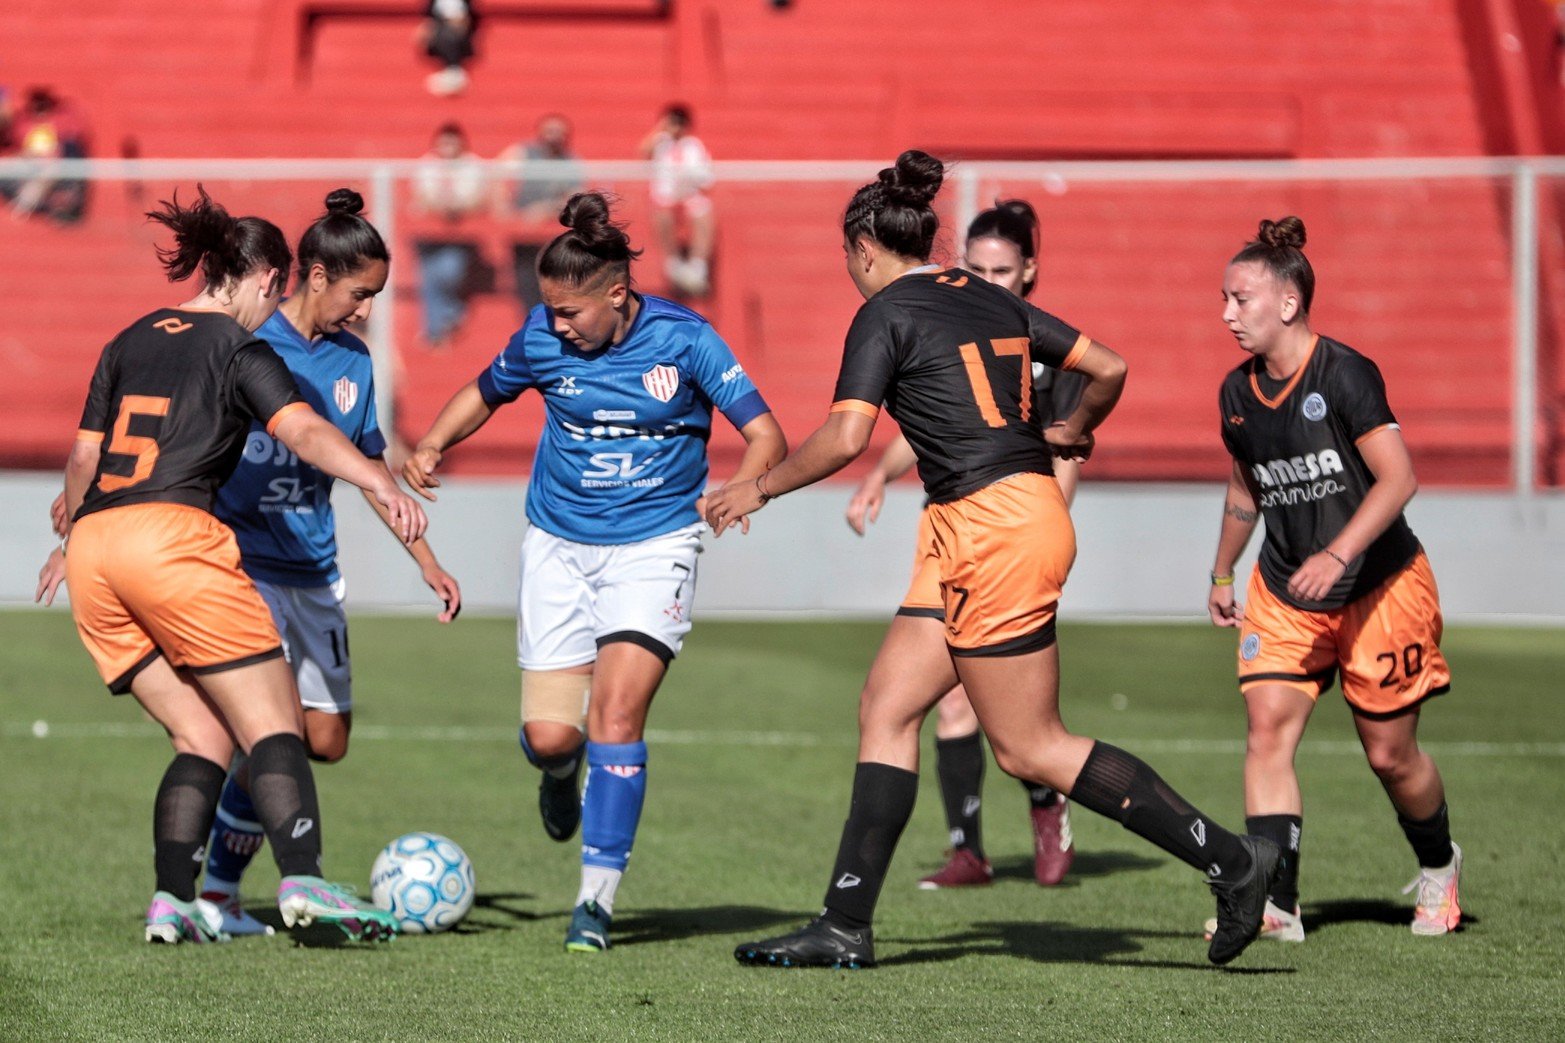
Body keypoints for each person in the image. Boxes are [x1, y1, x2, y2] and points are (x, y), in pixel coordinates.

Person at [707, 150, 1279, 969]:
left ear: (863, 249)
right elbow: (1108, 367)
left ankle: (1232, 860)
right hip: (978, 520)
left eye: (846, 256)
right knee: (888, 705)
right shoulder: (983, 295)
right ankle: (843, 923)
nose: (847, 269)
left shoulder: (882, 311)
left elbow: (843, 435)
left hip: (994, 527)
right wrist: (1072, 429)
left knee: (1028, 746)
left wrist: (757, 488)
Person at [403, 192, 786, 953]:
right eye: (547, 309)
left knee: (616, 713)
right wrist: (429, 443)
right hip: (557, 544)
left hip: (655, 546)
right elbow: (484, 391)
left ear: (616, 294)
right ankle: (557, 770)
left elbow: (766, 433)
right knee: (551, 735)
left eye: (570, 311)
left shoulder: (687, 341)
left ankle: (595, 902)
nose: (556, 323)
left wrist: (747, 484)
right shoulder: (543, 338)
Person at [41, 186, 424, 943]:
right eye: (272, 290)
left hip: (95, 551)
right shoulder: (238, 346)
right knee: (273, 720)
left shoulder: (131, 336)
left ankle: (172, 900)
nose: (271, 306)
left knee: (203, 736)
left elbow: (85, 455)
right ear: (257, 280)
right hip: (174, 538)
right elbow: (303, 428)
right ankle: (307, 881)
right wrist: (377, 475)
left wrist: (67, 540)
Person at [196, 189, 463, 935]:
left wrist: (427, 561)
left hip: (315, 569)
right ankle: (219, 888)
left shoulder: (353, 362)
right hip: (244, 565)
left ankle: (225, 872)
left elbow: (370, 467)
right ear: (314, 276)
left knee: (326, 740)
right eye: (359, 294)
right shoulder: (248, 345)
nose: (366, 310)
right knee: (269, 728)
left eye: (375, 295)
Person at [1205, 216, 1462, 942]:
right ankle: (1276, 902)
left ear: (1286, 303)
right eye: (1222, 298)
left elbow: (1397, 478)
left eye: (1240, 299)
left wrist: (1339, 551)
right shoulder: (1235, 393)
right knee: (1265, 733)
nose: (1226, 314)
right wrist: (1222, 569)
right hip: (1284, 590)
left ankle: (1439, 865)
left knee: (1389, 753)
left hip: (1380, 585)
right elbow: (1245, 487)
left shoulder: (1344, 372)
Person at [843, 200, 1085, 890]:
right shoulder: (957, 326)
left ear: (1028, 271)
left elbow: (1065, 455)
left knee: (1017, 732)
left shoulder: (1038, 347)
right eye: (974, 267)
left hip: (1009, 534)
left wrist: (1031, 520)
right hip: (950, 528)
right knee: (943, 702)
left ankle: (1046, 800)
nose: (987, 279)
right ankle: (968, 850)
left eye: (1000, 269)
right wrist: (877, 480)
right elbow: (913, 429)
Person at [499, 114, 587, 313]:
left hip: (554, 239)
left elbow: (574, 197)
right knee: (526, 283)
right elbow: (498, 175)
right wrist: (505, 206)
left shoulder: (571, 163)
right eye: (550, 131)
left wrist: (544, 209)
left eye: (559, 132)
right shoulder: (523, 153)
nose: (553, 136)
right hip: (523, 234)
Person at [412, 122, 487, 350]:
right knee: (430, 277)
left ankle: (451, 314)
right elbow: (421, 196)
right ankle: (436, 330)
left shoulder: (473, 165)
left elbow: (477, 197)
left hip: (460, 233)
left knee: (449, 271)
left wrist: (455, 205)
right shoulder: (426, 165)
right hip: (430, 231)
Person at [640, 104, 714, 298]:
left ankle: (697, 267)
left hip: (688, 195)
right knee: (662, 213)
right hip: (664, 198)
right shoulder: (660, 142)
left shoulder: (694, 146)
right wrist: (661, 129)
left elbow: (705, 177)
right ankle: (673, 264)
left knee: (703, 212)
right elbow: (642, 151)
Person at [1, 86, 87, 223]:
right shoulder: (22, 122)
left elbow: (71, 142)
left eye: (43, 102)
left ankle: (26, 207)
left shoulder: (61, 121)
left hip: (54, 163)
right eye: (37, 102)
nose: (40, 107)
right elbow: (14, 144)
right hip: (28, 160)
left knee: (48, 172)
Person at [420, 0, 479, 97]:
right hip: (439, 26)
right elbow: (428, 17)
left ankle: (453, 70)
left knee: (449, 35)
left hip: (459, 30)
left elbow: (471, 18)